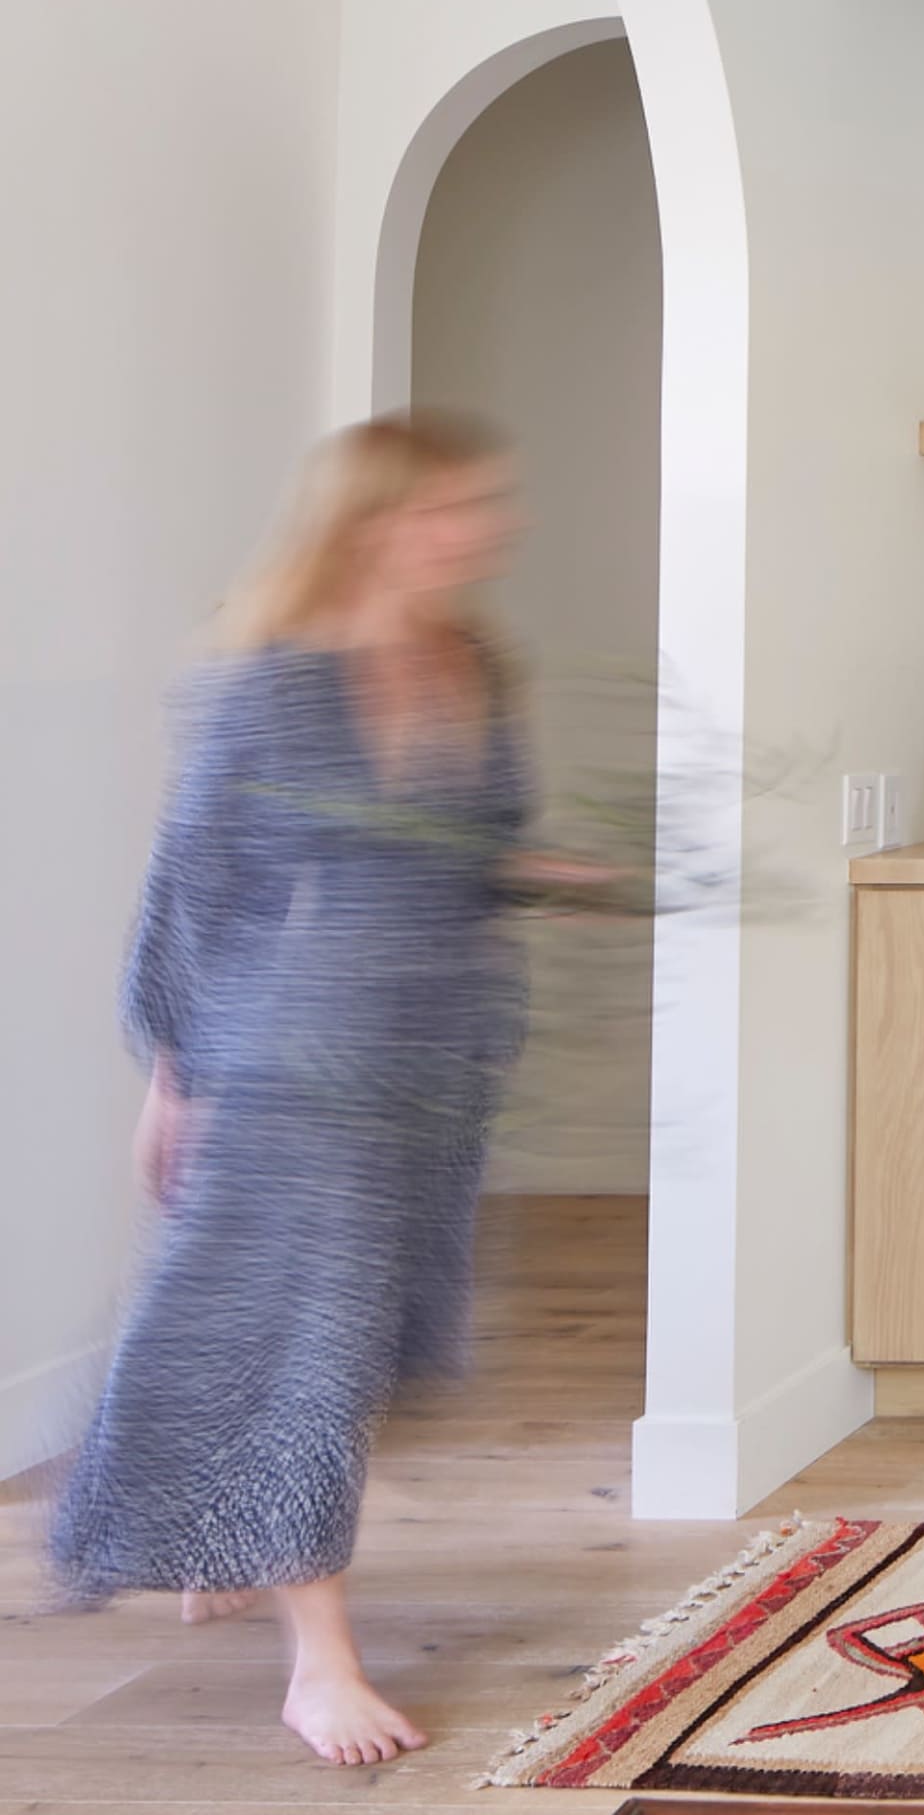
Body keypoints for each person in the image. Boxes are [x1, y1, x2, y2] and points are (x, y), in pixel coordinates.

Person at [50, 413, 539, 1767]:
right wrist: (173, 1071)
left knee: (358, 1336)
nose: (484, 529)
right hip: (290, 1062)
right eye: (458, 506)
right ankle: (317, 1662)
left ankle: (233, 1532)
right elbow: (194, 882)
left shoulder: (478, 665)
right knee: (308, 1348)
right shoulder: (272, 683)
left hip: (436, 1058)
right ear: (375, 520)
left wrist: (565, 880)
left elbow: (480, 848)